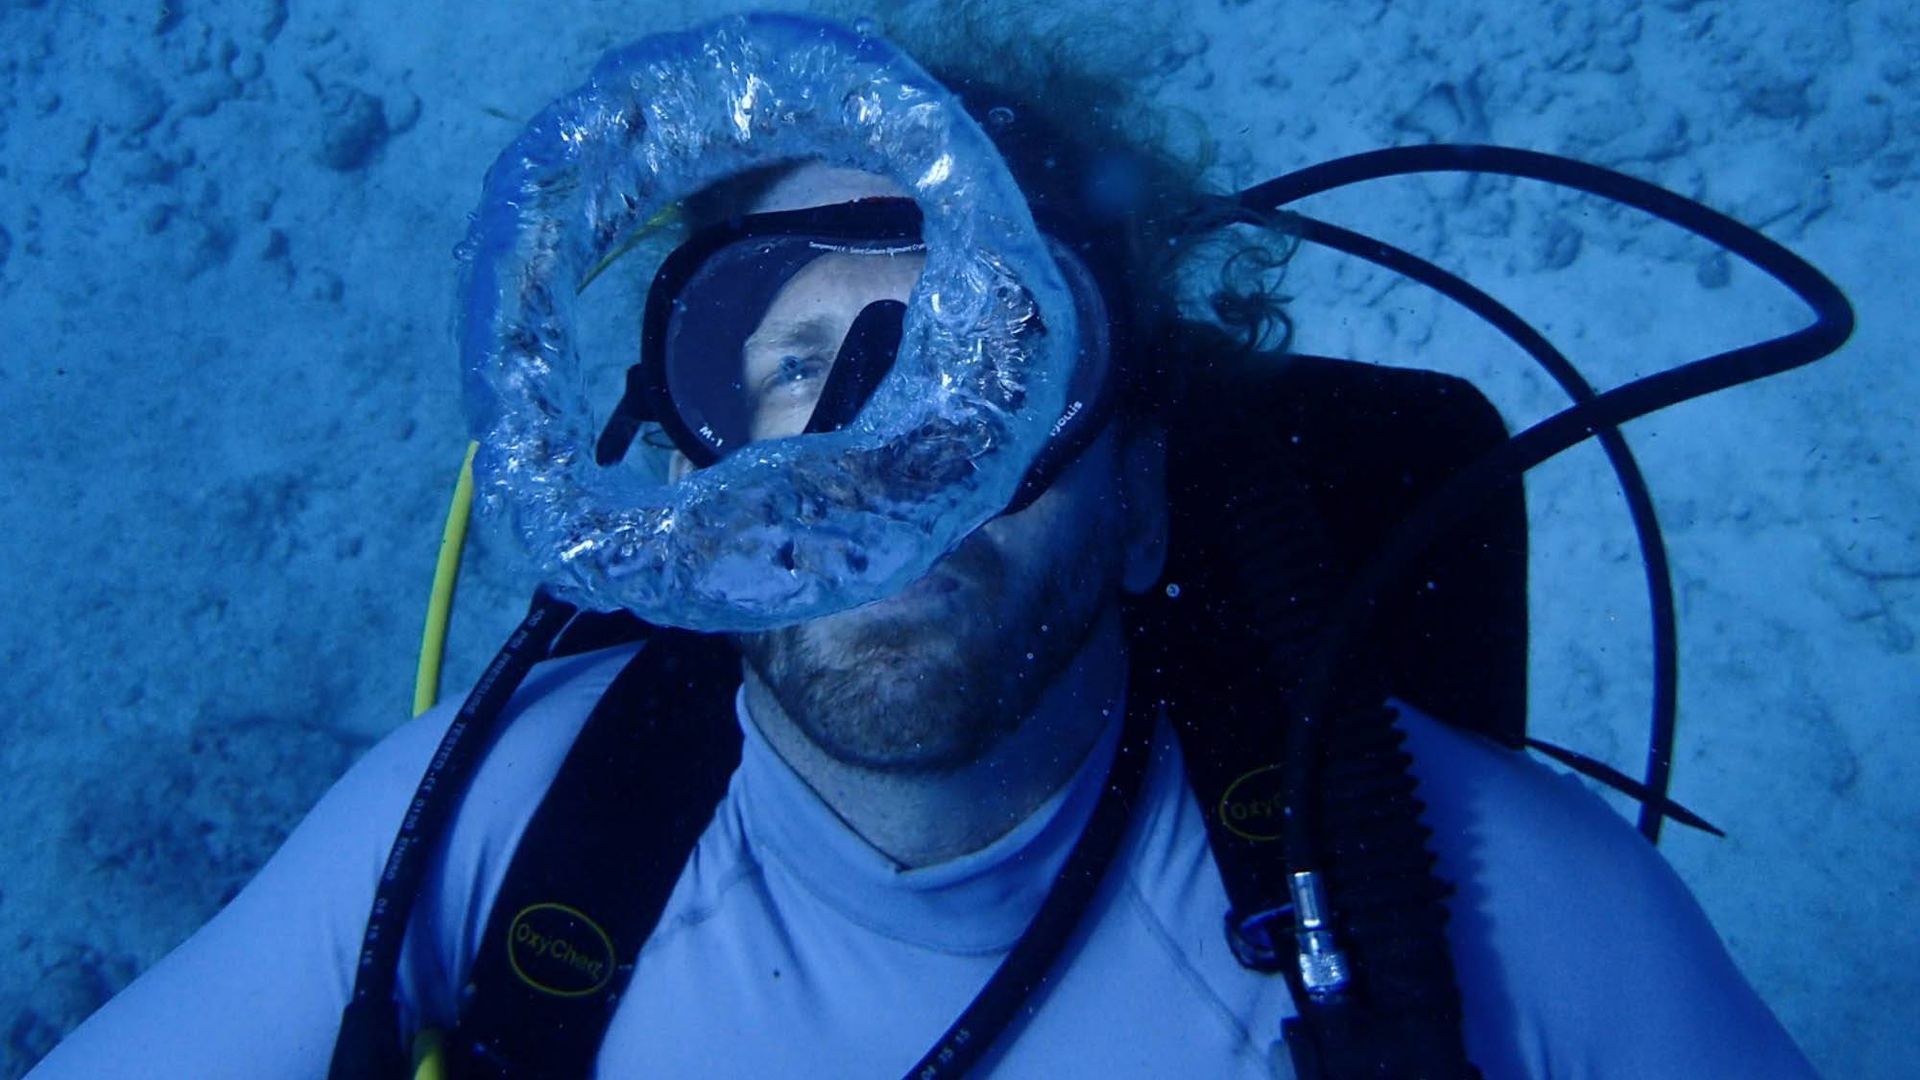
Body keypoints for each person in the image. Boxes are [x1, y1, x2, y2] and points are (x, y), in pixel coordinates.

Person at [31, 12, 1821, 1080]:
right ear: (684, 492)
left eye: (990, 374)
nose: (885, 470)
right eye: (796, 367)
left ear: (1141, 498)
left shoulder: (1504, 906)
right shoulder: (491, 828)